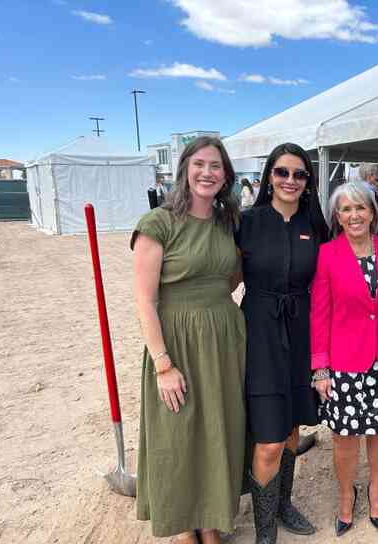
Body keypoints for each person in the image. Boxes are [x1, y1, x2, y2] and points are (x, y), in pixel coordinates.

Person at [132, 136, 246, 543]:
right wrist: (163, 364)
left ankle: (211, 522)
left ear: (226, 175)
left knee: (218, 429)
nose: (207, 173)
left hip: (223, 339)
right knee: (178, 434)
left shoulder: (227, 222)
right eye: (199, 164)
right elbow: (145, 301)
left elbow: (230, 278)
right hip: (176, 341)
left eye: (216, 166)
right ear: (185, 169)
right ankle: (183, 527)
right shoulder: (158, 223)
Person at [311, 182, 378, 537]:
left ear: (374, 212)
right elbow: (320, 314)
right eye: (346, 209)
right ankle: (346, 495)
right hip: (343, 362)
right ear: (337, 217)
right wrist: (320, 367)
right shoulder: (327, 254)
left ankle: (375, 489)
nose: (354, 215)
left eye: (361, 207)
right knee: (344, 436)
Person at [237, 142, 329, 544]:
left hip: (303, 333)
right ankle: (264, 530)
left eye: (299, 174)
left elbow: (330, 281)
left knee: (292, 429)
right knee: (269, 438)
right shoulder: (247, 222)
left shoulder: (315, 223)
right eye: (282, 172)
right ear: (268, 177)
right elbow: (223, 278)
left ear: (308, 181)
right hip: (259, 334)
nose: (290, 180)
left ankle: (283, 504)